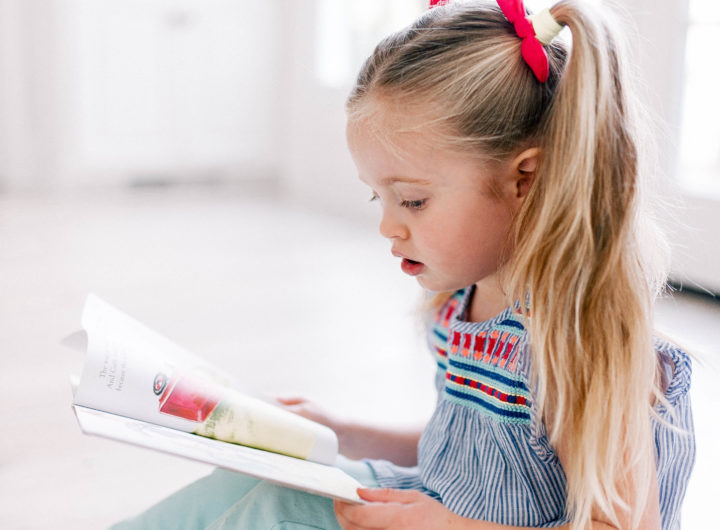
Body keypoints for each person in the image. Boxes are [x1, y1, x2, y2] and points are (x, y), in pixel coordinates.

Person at [112, 0, 695, 528]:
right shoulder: (466, 303)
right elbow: (472, 456)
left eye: (412, 200)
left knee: (278, 512)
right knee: (254, 479)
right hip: (441, 507)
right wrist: (339, 431)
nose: (389, 226)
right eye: (379, 198)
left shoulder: (578, 338)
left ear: (526, 179)